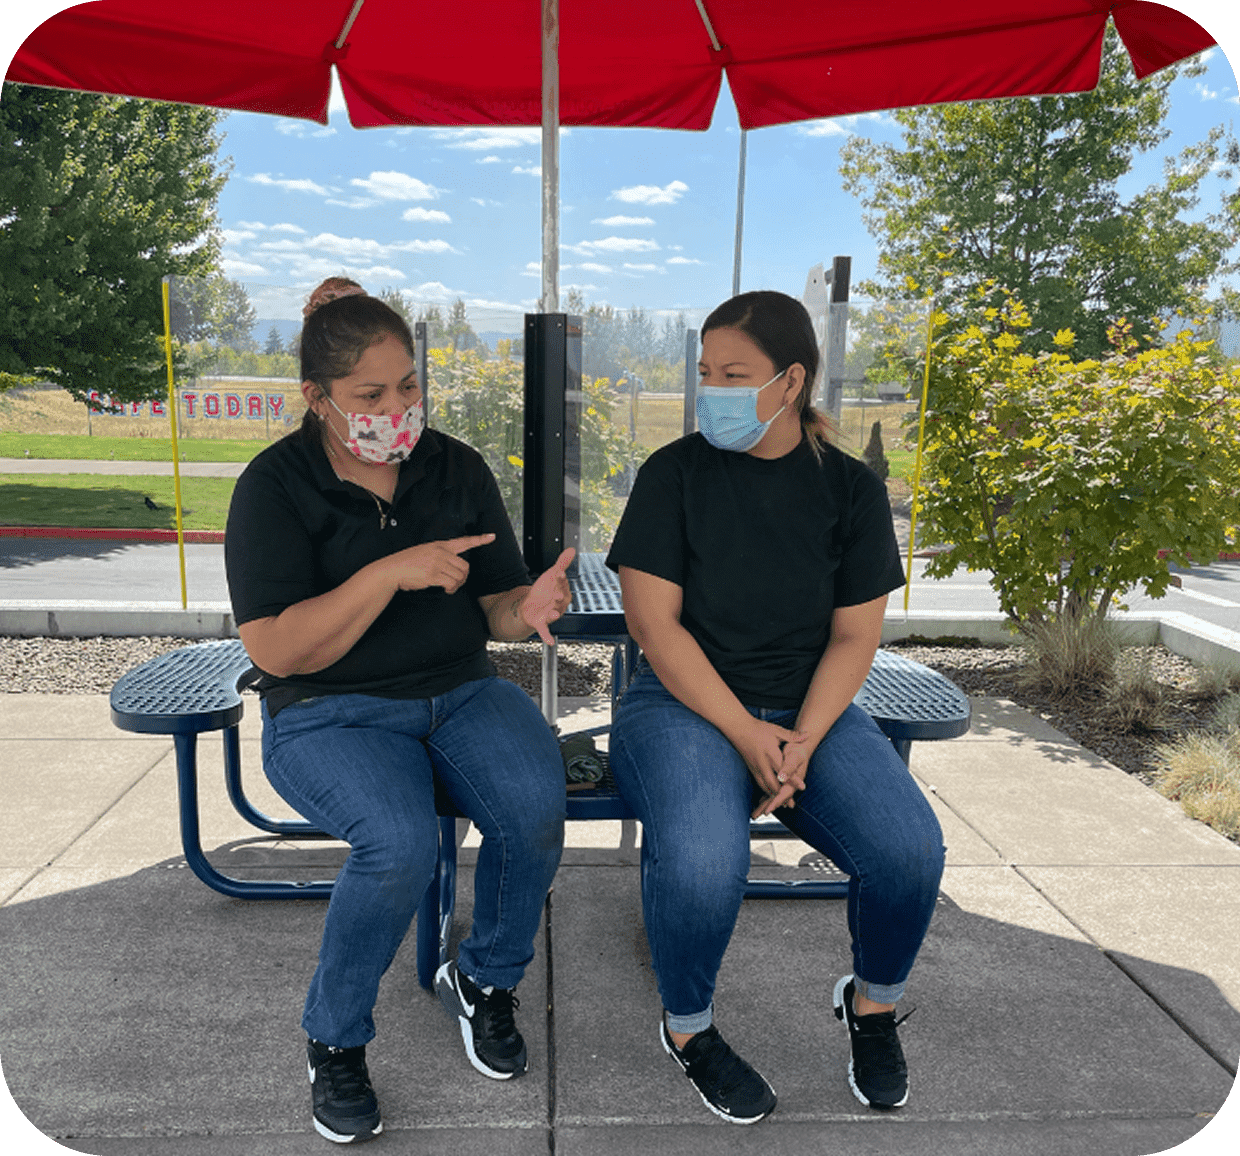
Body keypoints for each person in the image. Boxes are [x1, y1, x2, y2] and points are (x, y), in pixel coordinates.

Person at [225, 277, 573, 1145]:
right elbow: (273, 649)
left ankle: (484, 981)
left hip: (459, 691)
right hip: (326, 711)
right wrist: (387, 571)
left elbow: (494, 600)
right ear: (318, 400)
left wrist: (525, 610)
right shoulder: (273, 487)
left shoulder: (454, 466)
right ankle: (335, 1038)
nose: (397, 409)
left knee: (536, 806)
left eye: (409, 385)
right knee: (403, 842)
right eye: (370, 396)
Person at [605, 290, 945, 1123]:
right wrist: (746, 731)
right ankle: (687, 1029)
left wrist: (799, 741)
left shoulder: (851, 492)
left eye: (735, 374)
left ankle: (870, 1008)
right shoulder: (674, 474)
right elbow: (655, 626)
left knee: (908, 852)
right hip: (681, 706)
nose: (711, 389)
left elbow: (851, 641)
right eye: (705, 372)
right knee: (701, 863)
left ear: (790, 381)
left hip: (808, 711)